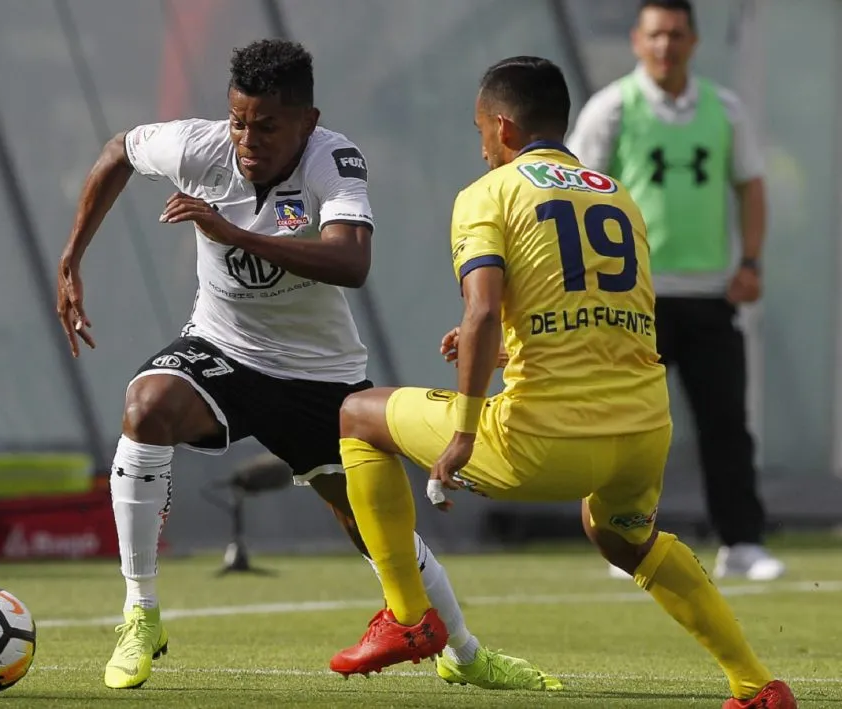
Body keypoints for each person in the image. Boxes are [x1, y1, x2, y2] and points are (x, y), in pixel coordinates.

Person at [56, 39, 556, 692]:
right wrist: (72, 258)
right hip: (223, 348)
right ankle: (139, 612)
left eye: (266, 126)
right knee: (146, 408)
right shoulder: (197, 148)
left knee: (376, 532)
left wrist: (234, 234)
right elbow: (117, 151)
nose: (247, 139)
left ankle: (464, 652)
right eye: (239, 121)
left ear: (307, 122)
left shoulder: (334, 159)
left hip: (321, 376)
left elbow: (352, 262)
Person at [329, 56, 796, 709]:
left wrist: (463, 430)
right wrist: (496, 346)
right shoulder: (616, 192)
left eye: (480, 132)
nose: (481, 147)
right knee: (622, 536)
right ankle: (756, 683)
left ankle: (409, 615)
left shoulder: (487, 193)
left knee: (357, 414)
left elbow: (485, 308)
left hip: (540, 444)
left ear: (503, 127)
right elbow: (610, 315)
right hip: (639, 435)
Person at [566, 0, 783, 581]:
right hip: (632, 301)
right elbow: (576, 194)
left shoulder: (725, 110)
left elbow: (751, 185)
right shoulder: (611, 107)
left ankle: (742, 543)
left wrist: (752, 262)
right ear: (638, 40)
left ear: (694, 41)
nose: (666, 46)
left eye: (677, 35)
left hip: (712, 296)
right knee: (627, 427)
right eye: (656, 35)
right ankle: (621, 539)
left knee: (726, 424)